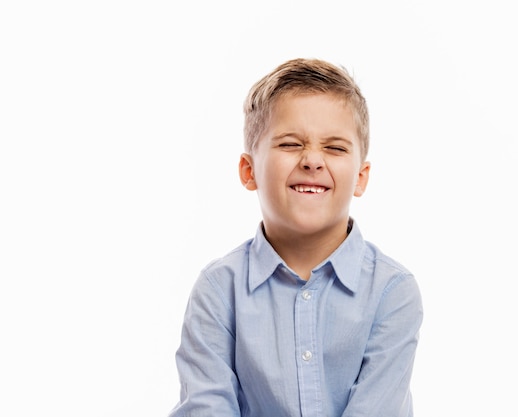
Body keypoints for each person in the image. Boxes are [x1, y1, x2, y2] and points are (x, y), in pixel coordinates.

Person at [168, 58, 423, 417]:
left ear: (361, 177)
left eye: (335, 148)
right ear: (248, 170)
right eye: (290, 144)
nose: (312, 160)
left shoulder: (391, 292)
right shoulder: (217, 290)